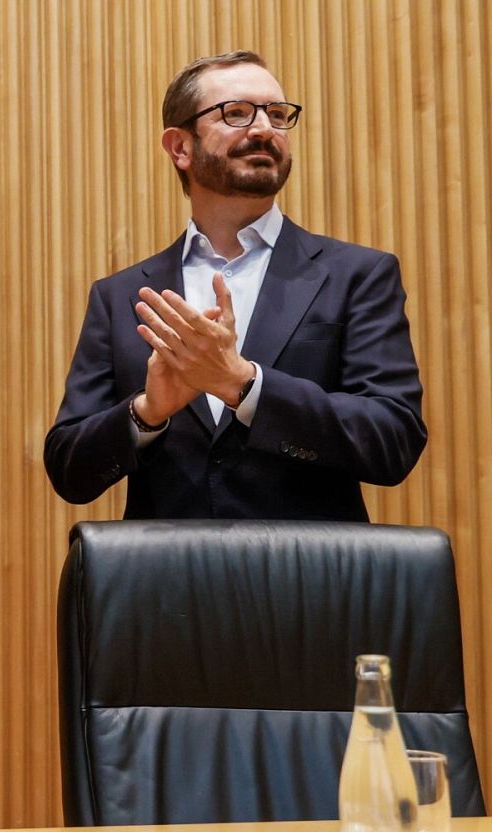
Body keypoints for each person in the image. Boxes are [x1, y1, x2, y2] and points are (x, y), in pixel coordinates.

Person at [44, 51, 425, 520]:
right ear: (180, 147)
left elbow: (393, 440)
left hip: (308, 584)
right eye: (237, 113)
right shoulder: (120, 295)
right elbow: (69, 470)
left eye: (278, 115)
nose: (265, 129)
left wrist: (244, 385)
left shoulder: (358, 275)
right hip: (165, 585)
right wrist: (147, 412)